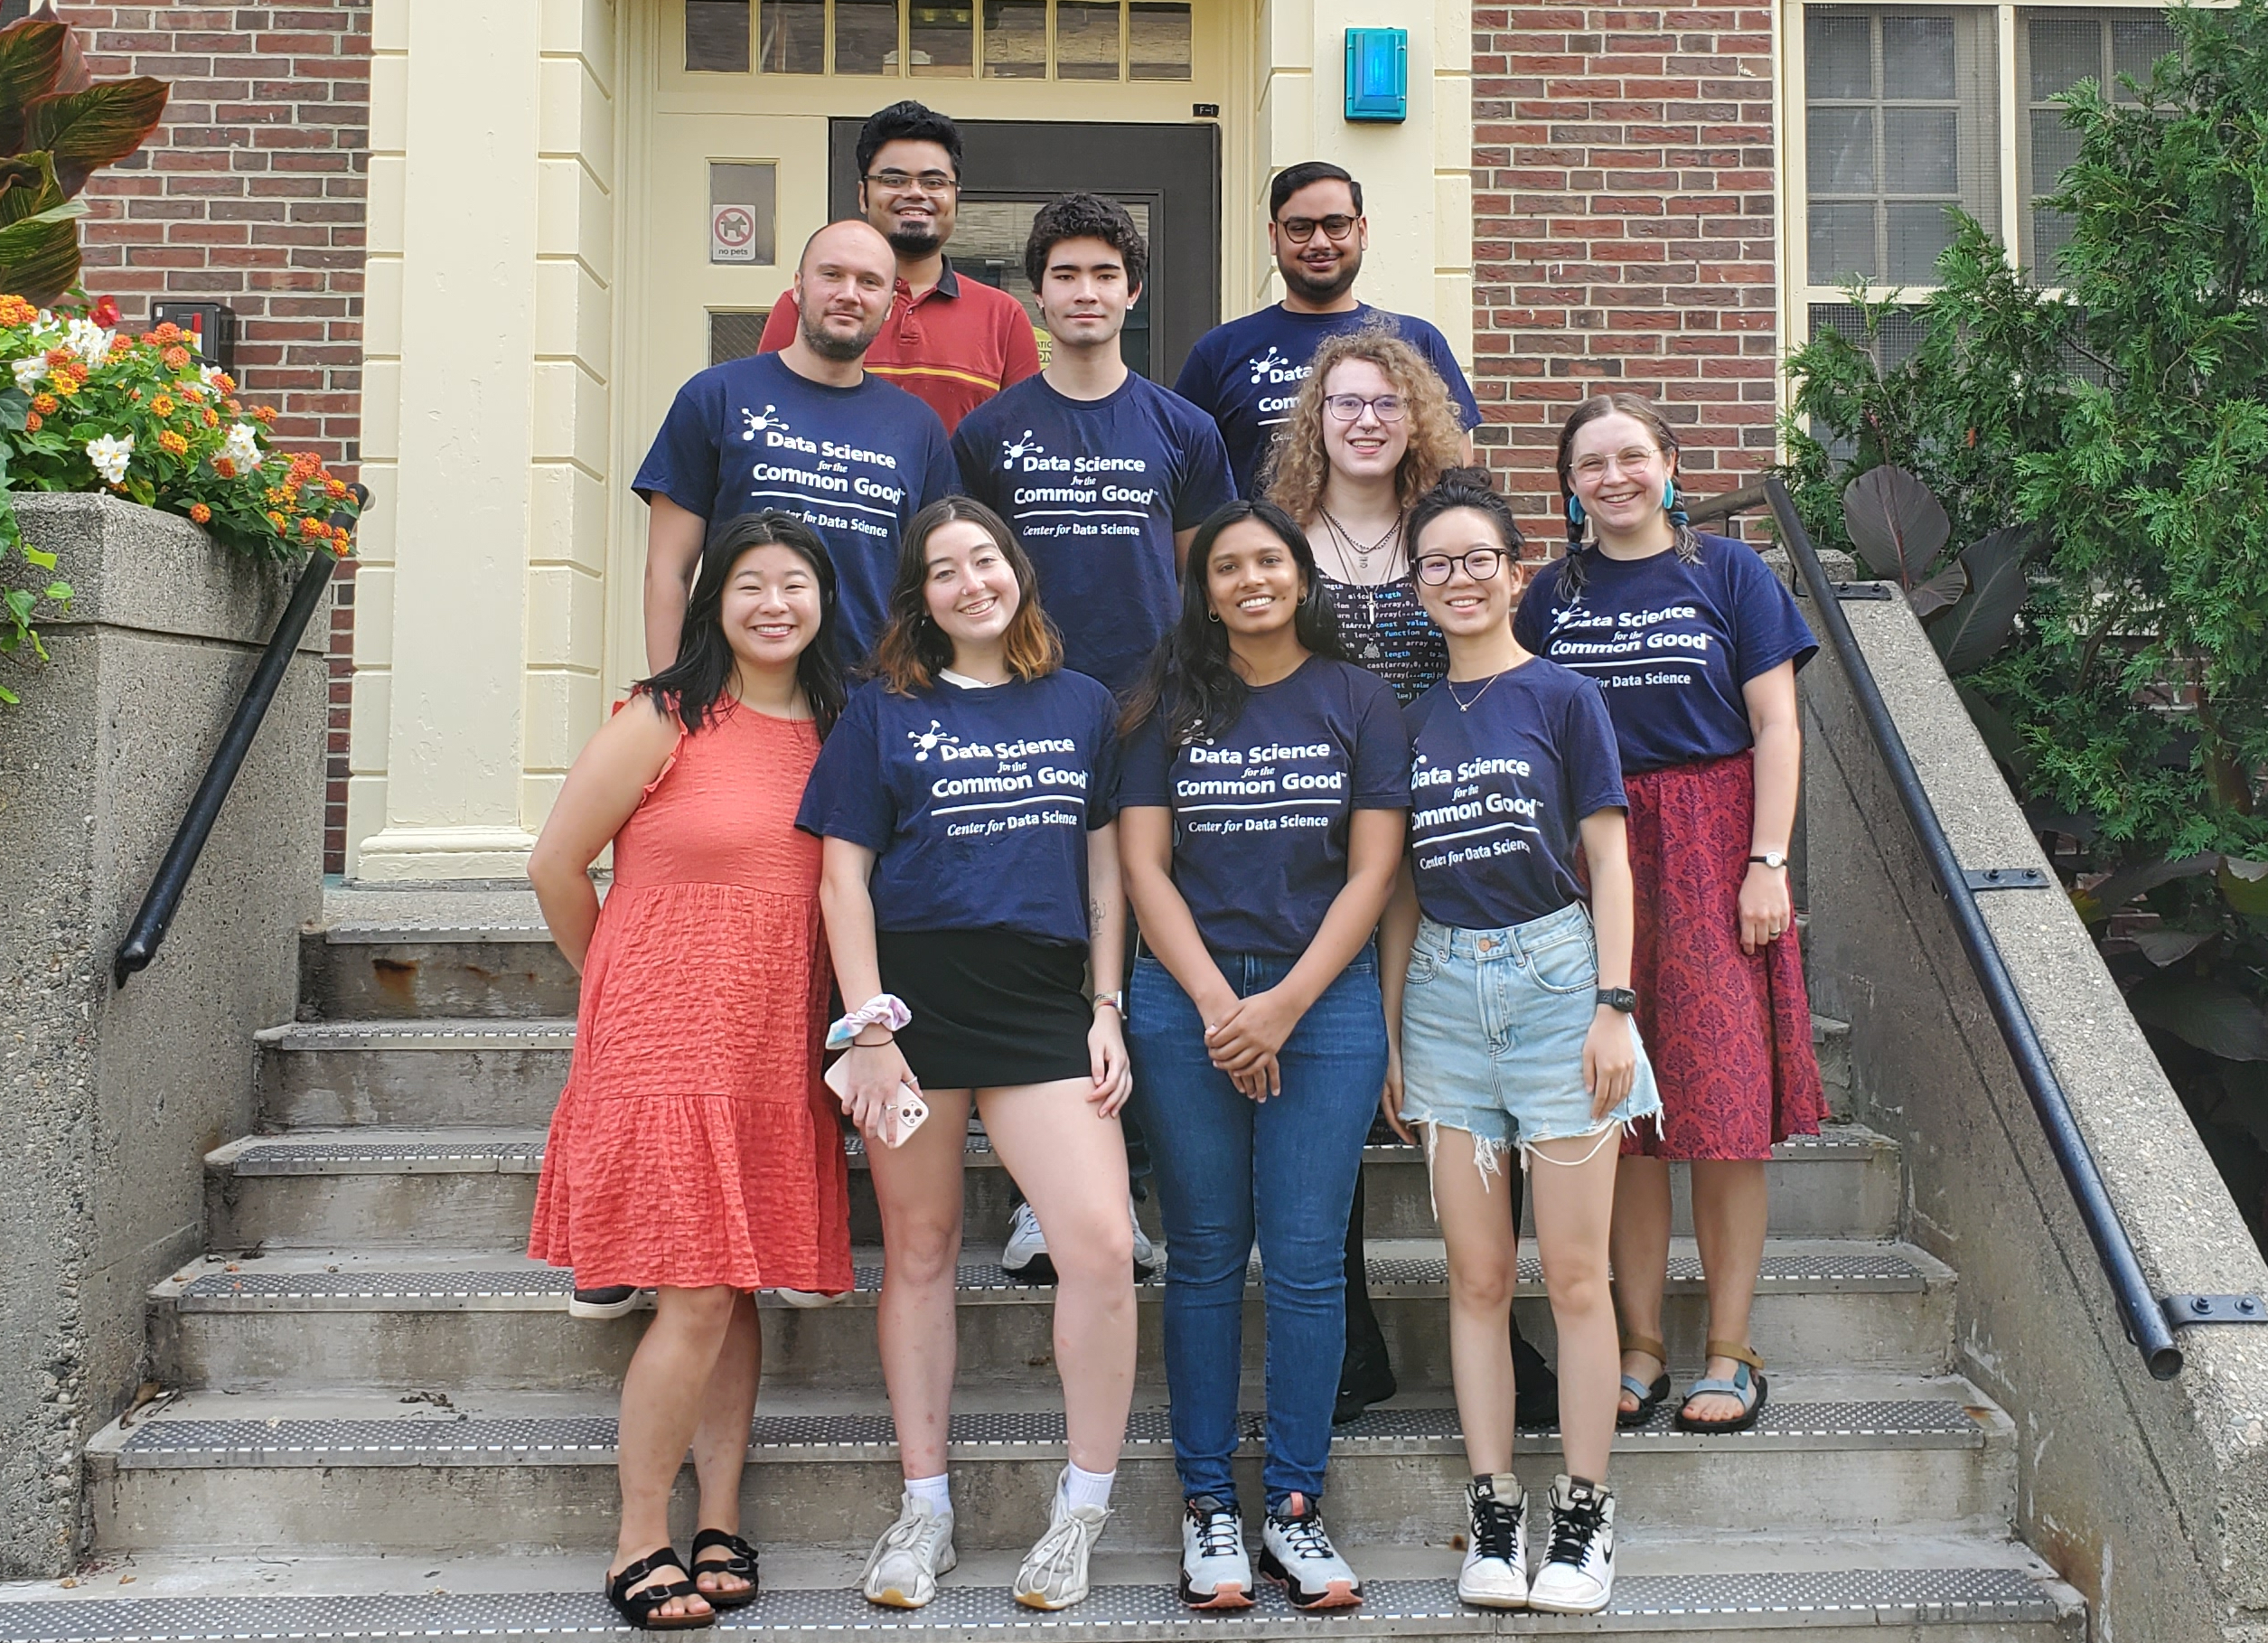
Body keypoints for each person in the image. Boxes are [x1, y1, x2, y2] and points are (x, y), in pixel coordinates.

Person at [797, 496, 1136, 1613]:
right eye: (942, 571)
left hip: (1044, 1007)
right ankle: (925, 1509)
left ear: (1016, 573)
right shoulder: (879, 709)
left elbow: (1103, 872)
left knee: (1095, 1246)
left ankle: (1081, 1510)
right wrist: (870, 1030)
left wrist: (1105, 1004)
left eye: (983, 560)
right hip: (915, 1011)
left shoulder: (1081, 704)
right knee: (923, 1250)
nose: (969, 582)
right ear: (920, 599)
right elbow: (841, 877)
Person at [527, 512, 854, 1630]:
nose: (773, 603)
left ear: (823, 600)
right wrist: (613, 978)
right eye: (749, 584)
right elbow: (556, 865)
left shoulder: (843, 725)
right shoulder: (662, 715)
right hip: (664, 1040)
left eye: (795, 583)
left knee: (735, 1277)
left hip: (774, 1045)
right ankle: (637, 1537)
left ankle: (718, 1517)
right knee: (699, 1287)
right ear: (714, 601)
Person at [1514, 394, 1826, 1438]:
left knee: (1724, 1108)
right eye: (1589, 464)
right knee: (1624, 1114)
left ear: (1667, 464)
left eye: (1630, 457)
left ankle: (1730, 1350)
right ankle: (1636, 1342)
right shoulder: (1544, 598)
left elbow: (1775, 727)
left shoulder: (1728, 574)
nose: (1611, 478)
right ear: (1567, 484)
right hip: (1593, 850)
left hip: (1710, 839)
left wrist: (1765, 861)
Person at [1267, 326, 1559, 1430]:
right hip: (1317, 835)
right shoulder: (1282, 540)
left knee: (1476, 1094)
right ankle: (1347, 1336)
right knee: (1336, 1081)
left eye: (1387, 403)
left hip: (1452, 823)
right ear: (1316, 417)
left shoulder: (1448, 532)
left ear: (1417, 416)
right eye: (1344, 402)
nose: (1366, 421)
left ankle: (1510, 1328)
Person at [1119, 500, 1408, 1612]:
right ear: (1203, 589)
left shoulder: (1357, 699)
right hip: (1183, 997)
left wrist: (1281, 1006)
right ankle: (1207, 1509)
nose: (1248, 579)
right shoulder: (1163, 703)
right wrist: (1213, 1004)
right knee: (1199, 1255)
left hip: (1321, 1007)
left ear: (1300, 577)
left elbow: (1372, 875)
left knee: (1301, 1260)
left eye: (1268, 562)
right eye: (1226, 566)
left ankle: (1292, 1505)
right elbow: (1145, 869)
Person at [1382, 471, 1661, 1615]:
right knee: (1478, 1274)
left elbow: (1607, 861)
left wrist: (1612, 1003)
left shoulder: (1561, 697)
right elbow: (1398, 888)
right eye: (1436, 564)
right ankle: (1492, 1508)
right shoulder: (1400, 719)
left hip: (1558, 987)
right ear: (1415, 587)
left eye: (1476, 559)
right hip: (1445, 993)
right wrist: (1398, 1032)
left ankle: (1585, 1515)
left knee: (1577, 1275)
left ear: (1513, 569)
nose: (1458, 579)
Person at [638, 218, 959, 673]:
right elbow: (667, 571)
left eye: (870, 282)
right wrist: (667, 697)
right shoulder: (716, 397)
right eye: (832, 275)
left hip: (869, 703)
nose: (849, 293)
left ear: (889, 305)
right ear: (797, 287)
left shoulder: (918, 428)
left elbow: (937, 581)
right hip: (733, 695)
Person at [952, 192, 1235, 698]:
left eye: (1105, 275)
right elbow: (965, 577)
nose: (1086, 293)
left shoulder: (1186, 428)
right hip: (1022, 692)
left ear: (1133, 290)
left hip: (1155, 698)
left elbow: (1208, 577)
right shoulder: (986, 432)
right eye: (1065, 276)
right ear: (1037, 292)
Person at [1173, 161, 1482, 498]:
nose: (1320, 242)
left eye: (1336, 225)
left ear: (1361, 231)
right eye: (1300, 227)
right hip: (1264, 549)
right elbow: (1185, 483)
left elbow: (1458, 474)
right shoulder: (1219, 352)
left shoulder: (1418, 342)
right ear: (1274, 237)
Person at [755, 100, 1041, 433]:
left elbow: (1024, 442)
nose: (915, 193)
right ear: (863, 195)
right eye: (894, 179)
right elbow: (767, 423)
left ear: (955, 197)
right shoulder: (805, 305)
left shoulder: (1003, 316)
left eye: (934, 182)